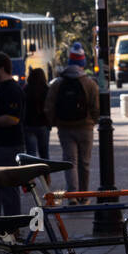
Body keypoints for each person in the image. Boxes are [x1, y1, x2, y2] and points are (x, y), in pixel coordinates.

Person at [44, 42, 100, 195]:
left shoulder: (58, 83)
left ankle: (73, 194)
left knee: (70, 162)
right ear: (82, 62)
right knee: (85, 163)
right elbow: (96, 107)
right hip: (85, 127)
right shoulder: (90, 83)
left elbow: (49, 106)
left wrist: (55, 122)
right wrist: (93, 121)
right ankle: (84, 194)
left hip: (65, 127)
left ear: (69, 61)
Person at [0, 52, 25, 216]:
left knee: (8, 191)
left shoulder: (12, 89)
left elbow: (12, 119)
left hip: (8, 146)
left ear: (0, 69)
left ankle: (12, 229)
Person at [23, 67, 51, 162]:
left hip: (29, 125)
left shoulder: (26, 89)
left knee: (31, 154)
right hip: (43, 124)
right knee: (44, 154)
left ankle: (32, 176)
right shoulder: (46, 90)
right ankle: (46, 176)